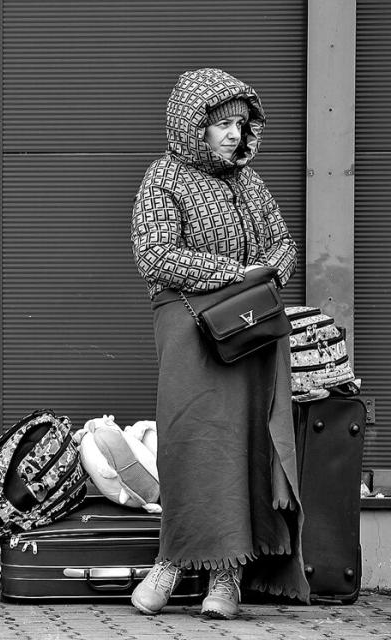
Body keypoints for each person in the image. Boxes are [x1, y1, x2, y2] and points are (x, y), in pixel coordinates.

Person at [129, 68, 308, 619]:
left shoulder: (250, 184)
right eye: (221, 124)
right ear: (193, 127)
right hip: (188, 328)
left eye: (240, 124)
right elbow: (154, 255)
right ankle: (171, 562)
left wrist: (267, 270)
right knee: (189, 441)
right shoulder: (164, 178)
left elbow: (284, 244)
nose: (234, 134)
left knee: (242, 443)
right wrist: (236, 273)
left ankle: (226, 576)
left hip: (250, 328)